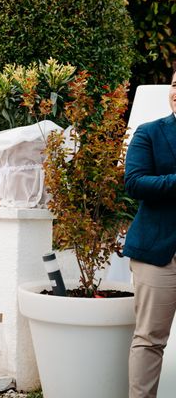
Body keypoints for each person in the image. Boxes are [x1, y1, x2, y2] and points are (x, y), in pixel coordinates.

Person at [124, 69, 176, 398]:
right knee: (149, 340)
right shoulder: (149, 133)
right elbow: (135, 182)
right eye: (175, 84)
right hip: (159, 254)